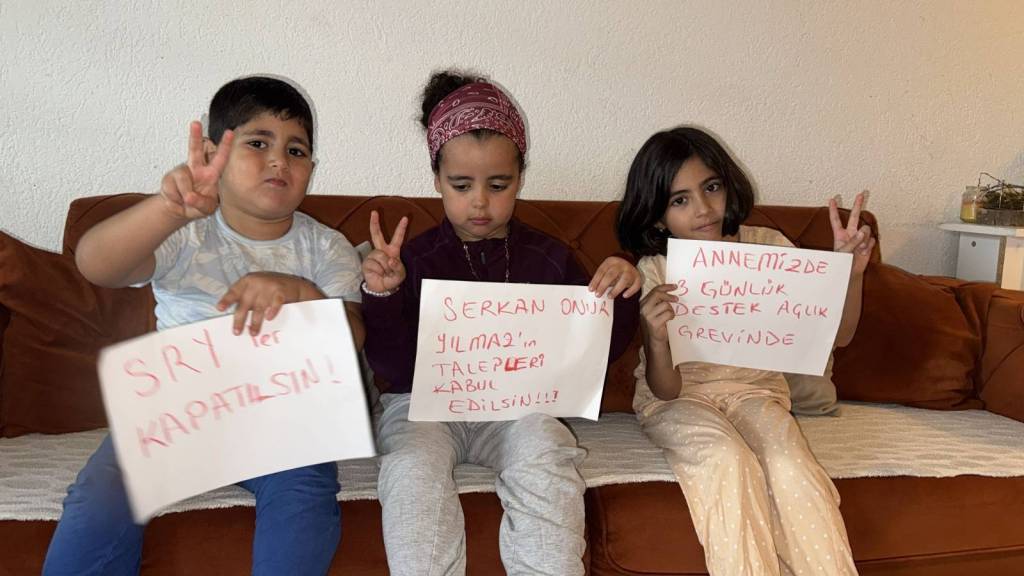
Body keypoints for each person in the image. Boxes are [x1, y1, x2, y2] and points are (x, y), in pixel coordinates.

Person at [43, 76, 364, 576]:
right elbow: (96, 265)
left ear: (312, 169)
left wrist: (302, 294)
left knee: (305, 493)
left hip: (282, 420)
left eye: (296, 150)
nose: (279, 161)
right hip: (175, 414)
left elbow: (353, 337)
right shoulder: (187, 231)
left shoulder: (326, 248)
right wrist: (166, 209)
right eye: (258, 143)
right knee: (101, 494)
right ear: (215, 154)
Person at [360, 70, 641, 576]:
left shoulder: (549, 257)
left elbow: (594, 354)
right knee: (410, 466)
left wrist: (620, 291)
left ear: (520, 178)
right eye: (461, 185)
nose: (480, 202)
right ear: (436, 181)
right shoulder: (414, 259)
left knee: (545, 448)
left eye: (498, 185)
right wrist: (384, 295)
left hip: (516, 408)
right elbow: (393, 370)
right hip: (424, 406)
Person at [616, 126, 872, 575]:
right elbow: (666, 390)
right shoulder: (656, 268)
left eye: (711, 187)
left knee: (791, 467)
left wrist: (849, 274)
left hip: (756, 394)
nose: (703, 208)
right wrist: (656, 338)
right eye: (680, 200)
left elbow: (839, 337)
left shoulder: (768, 248)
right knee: (727, 461)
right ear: (657, 217)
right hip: (678, 400)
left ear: (728, 185)